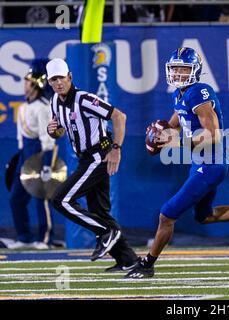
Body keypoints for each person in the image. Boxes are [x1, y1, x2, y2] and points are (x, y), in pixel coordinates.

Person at [125, 47, 229, 279]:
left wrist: (175, 141)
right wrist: (161, 131)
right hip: (200, 163)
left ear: (195, 71)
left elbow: (213, 135)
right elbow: (176, 121)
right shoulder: (180, 94)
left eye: (184, 69)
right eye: (175, 69)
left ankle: (147, 264)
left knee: (166, 215)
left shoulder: (199, 92)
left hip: (210, 165)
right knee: (204, 216)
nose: (179, 73)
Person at [46, 58, 140, 270]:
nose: (58, 82)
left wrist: (116, 148)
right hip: (85, 158)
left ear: (70, 77)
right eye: (54, 79)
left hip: (98, 155)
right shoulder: (54, 101)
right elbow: (61, 130)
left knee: (61, 200)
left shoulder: (84, 99)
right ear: (49, 82)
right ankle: (129, 260)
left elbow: (119, 116)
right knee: (99, 210)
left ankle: (106, 232)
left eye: (61, 77)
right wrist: (53, 131)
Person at [8, 59, 57, 250]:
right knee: (16, 198)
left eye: (28, 81)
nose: (24, 84)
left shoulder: (43, 108)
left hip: (39, 155)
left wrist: (46, 166)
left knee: (41, 199)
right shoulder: (23, 108)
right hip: (25, 157)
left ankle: (46, 239)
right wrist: (19, 161)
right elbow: (22, 139)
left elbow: (48, 140)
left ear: (37, 83)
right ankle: (24, 236)